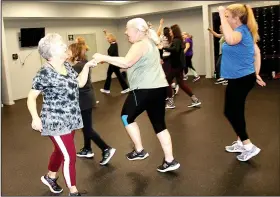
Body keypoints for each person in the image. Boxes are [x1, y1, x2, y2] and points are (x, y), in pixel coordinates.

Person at [92, 18, 180, 172]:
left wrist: (103, 58)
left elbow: (126, 62)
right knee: (160, 125)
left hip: (144, 89)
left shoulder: (140, 44)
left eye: (127, 29)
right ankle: (169, 160)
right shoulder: (151, 43)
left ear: (138, 31)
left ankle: (139, 150)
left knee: (126, 116)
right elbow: (140, 62)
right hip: (159, 88)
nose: (125, 32)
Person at [27, 33, 97, 196]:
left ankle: (50, 177)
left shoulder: (67, 67)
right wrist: (35, 118)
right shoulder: (44, 72)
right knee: (70, 156)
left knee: (60, 151)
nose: (65, 46)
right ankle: (73, 191)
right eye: (60, 45)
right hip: (55, 121)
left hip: (71, 118)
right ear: (51, 52)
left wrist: (86, 67)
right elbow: (31, 97)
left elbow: (79, 83)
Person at [218, 4, 266, 161]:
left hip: (241, 79)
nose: (227, 20)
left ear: (236, 19)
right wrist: (256, 72)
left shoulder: (240, 32)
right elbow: (257, 52)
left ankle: (248, 146)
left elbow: (231, 40)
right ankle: (240, 142)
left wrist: (220, 14)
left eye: (228, 17)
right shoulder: (244, 31)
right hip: (241, 78)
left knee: (232, 112)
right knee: (234, 111)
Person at [67, 43, 116, 165]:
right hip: (86, 98)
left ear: (74, 52)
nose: (67, 53)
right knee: (86, 126)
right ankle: (87, 149)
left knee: (87, 129)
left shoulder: (77, 67)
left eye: (68, 51)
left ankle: (106, 148)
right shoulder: (83, 63)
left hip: (83, 99)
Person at [163, 24, 202, 109]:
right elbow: (174, 54)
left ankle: (170, 102)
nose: (169, 32)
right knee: (181, 84)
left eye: (170, 30)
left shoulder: (176, 40)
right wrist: (164, 58)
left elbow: (175, 50)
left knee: (166, 82)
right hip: (178, 65)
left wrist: (164, 48)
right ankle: (195, 100)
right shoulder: (177, 40)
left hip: (176, 66)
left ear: (174, 31)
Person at [100, 30, 130, 94]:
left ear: (111, 39)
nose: (107, 40)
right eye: (107, 38)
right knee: (109, 74)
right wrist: (106, 33)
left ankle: (126, 88)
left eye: (108, 38)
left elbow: (111, 57)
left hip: (114, 63)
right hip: (112, 63)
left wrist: (104, 61)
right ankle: (106, 89)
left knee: (118, 75)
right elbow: (109, 37)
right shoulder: (113, 44)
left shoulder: (114, 46)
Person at [157, 18, 179, 96]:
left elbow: (157, 33)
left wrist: (160, 24)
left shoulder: (162, 38)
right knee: (167, 75)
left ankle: (170, 93)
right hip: (170, 57)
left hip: (165, 58)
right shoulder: (171, 38)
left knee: (165, 76)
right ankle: (173, 86)